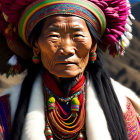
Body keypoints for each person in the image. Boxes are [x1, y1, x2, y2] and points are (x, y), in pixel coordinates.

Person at [0, 0, 140, 140]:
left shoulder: (124, 111)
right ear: (36, 46)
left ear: (93, 46)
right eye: (54, 36)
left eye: (78, 36)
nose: (66, 49)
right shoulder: (6, 112)